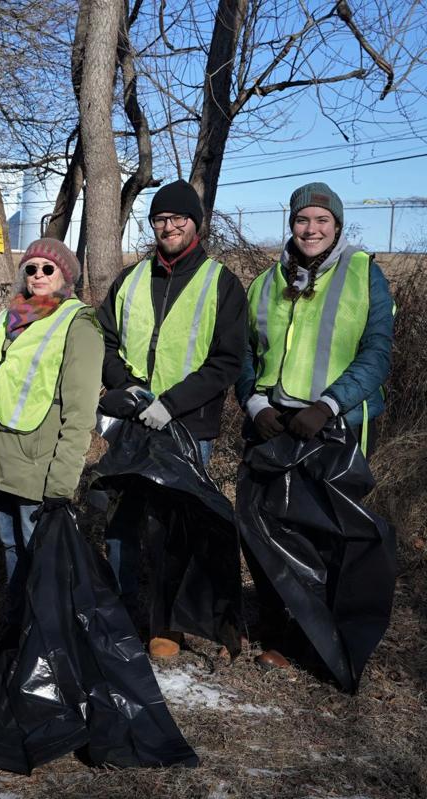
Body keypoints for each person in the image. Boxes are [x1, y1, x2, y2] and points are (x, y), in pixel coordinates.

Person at [236, 181, 395, 670]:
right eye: (303, 220)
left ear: (337, 227)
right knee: (262, 528)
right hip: (272, 424)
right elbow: (244, 353)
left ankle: (315, 637)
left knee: (323, 537)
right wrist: (254, 403)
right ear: (292, 224)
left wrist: (327, 405)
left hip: (332, 427)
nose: (311, 229)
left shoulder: (365, 274)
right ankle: (276, 629)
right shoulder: (265, 282)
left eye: (322, 221)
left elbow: (377, 353)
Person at [97, 179, 247, 659]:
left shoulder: (219, 282)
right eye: (161, 219)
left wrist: (172, 403)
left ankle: (165, 626)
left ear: (196, 225)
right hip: (133, 420)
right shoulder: (131, 278)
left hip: (186, 427)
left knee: (172, 529)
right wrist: (126, 388)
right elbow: (102, 338)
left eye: (179, 218)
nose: (170, 225)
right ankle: (120, 608)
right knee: (122, 523)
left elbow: (227, 361)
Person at [0, 238, 102, 582]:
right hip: (0, 457)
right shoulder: (7, 318)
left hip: (38, 467)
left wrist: (62, 480)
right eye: (31, 268)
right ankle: (17, 627)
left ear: (66, 276)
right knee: (10, 546)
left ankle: (43, 631)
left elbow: (80, 414)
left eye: (48, 268)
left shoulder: (78, 324)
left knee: (39, 553)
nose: (38, 275)